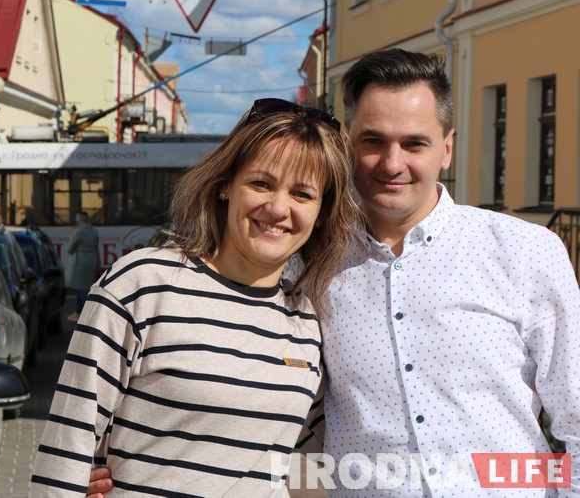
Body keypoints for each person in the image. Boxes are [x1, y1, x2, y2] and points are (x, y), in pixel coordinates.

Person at [87, 49, 580, 496]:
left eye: (415, 143)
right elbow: (226, 380)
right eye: (373, 141)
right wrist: (120, 460)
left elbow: (576, 413)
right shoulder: (298, 264)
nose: (393, 163)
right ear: (346, 145)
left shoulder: (525, 252)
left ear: (446, 148)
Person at [30, 98, 359, 497]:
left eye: (302, 194)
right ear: (225, 186)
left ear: (321, 213)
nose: (278, 207)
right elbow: (68, 444)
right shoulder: (144, 284)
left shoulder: (305, 322)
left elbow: (313, 459)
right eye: (261, 183)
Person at [64, 211, 101, 322]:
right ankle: (78, 312)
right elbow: (97, 250)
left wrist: (71, 236)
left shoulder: (78, 232)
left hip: (80, 263)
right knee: (83, 288)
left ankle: (87, 316)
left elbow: (70, 249)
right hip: (92, 261)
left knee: (82, 290)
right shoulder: (94, 231)